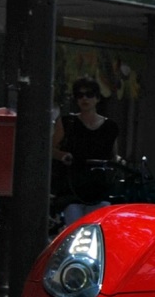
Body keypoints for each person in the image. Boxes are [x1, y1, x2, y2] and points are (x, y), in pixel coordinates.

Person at [51, 77, 120, 224]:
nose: (84, 99)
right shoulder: (67, 122)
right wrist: (63, 155)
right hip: (72, 188)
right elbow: (50, 149)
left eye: (89, 94)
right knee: (75, 229)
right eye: (79, 95)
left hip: (99, 189)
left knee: (98, 231)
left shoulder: (110, 127)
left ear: (97, 98)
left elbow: (113, 157)